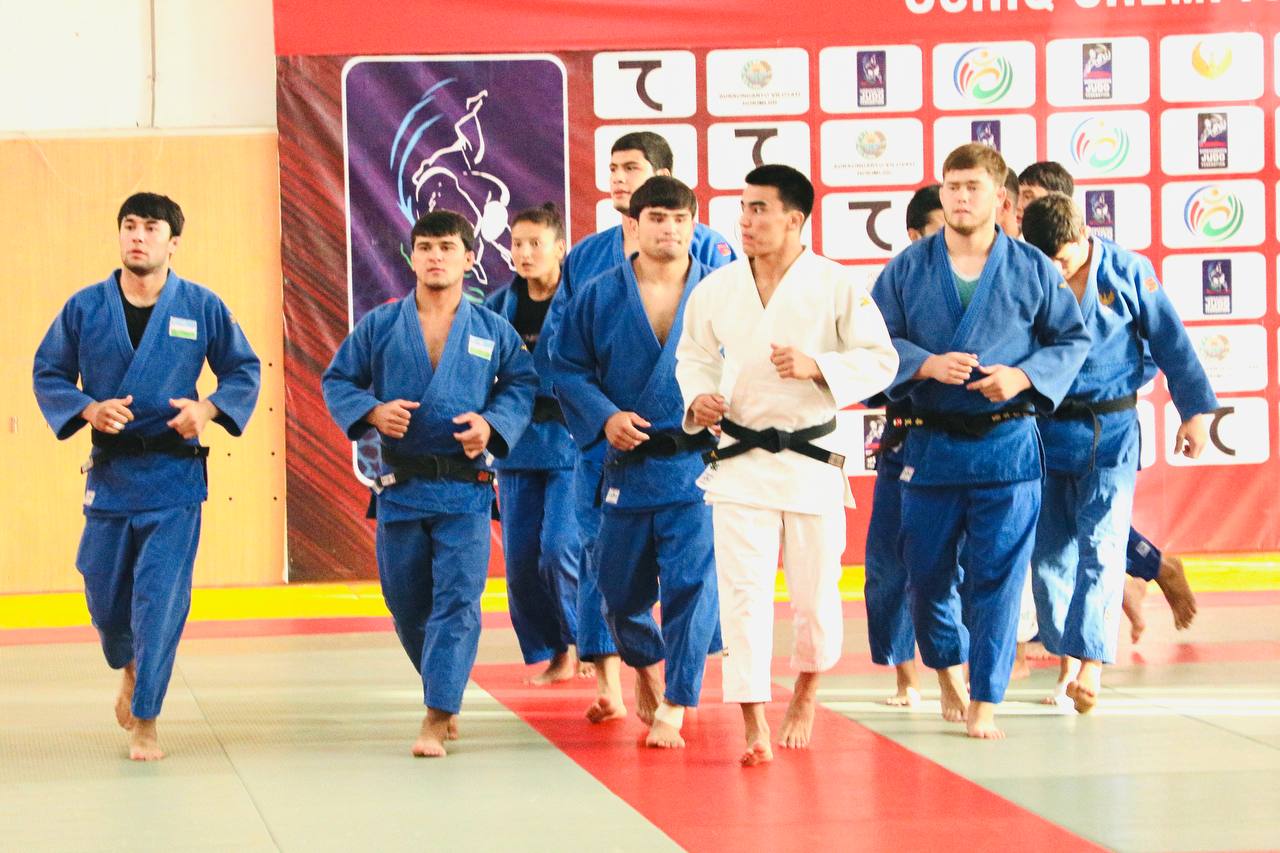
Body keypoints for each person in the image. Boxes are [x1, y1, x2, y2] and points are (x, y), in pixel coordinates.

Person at [677, 165, 898, 765]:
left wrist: (818, 366)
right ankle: (753, 719)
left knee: (815, 596)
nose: (745, 221)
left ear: (794, 219)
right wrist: (699, 398)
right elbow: (693, 355)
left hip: (810, 462)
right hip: (740, 460)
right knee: (742, 596)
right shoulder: (718, 288)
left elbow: (881, 359)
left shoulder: (835, 284)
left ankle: (805, 691)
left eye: (759, 209)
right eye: (743, 208)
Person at [871, 143, 1090, 739]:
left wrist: (1022, 377)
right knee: (925, 576)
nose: (961, 197)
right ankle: (946, 664)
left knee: (997, 580)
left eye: (973, 187)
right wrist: (923, 365)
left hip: (1006, 447)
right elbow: (872, 342)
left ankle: (985, 700)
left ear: (1002, 199)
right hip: (931, 447)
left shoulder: (1032, 268)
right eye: (952, 186)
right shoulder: (907, 269)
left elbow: (1071, 340)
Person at [33, 192, 261, 761]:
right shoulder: (85, 307)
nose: (138, 236)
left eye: (152, 228)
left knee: (159, 601)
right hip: (111, 474)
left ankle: (147, 720)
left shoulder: (202, 306)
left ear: (173, 242)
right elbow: (49, 372)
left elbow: (243, 369)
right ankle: (129, 665)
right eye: (130, 226)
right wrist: (88, 409)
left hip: (174, 476)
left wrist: (207, 410)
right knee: (104, 596)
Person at [322, 210, 537, 757]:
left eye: (447, 247)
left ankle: (438, 714)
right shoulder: (381, 324)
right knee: (407, 604)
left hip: (466, 488)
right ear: (411, 257)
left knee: (458, 602)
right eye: (425, 247)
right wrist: (373, 412)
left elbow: (521, 384)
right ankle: (445, 684)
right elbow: (339, 378)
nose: (435, 256)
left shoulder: (491, 329)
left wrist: (492, 425)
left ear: (469, 258)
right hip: (401, 487)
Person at [542, 130, 735, 722]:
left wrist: (724, 405)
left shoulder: (723, 288)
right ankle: (645, 663)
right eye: (656, 218)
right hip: (620, 462)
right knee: (617, 591)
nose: (668, 230)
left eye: (679, 219)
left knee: (691, 585)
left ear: (693, 223)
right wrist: (605, 417)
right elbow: (563, 365)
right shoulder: (597, 287)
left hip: (693, 464)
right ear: (634, 220)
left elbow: (750, 360)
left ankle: (678, 700)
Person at [1021, 193, 1218, 713]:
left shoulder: (1129, 271)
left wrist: (1195, 412)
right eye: (1045, 260)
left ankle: (1090, 662)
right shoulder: (1026, 275)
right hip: (1045, 430)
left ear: (1083, 238)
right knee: (1048, 556)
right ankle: (1066, 659)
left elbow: (1171, 340)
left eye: (1062, 259)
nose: (1055, 270)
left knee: (1102, 546)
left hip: (1110, 428)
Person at [485, 204, 582, 685]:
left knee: (560, 549)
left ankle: (585, 643)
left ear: (560, 248)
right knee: (522, 563)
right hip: (517, 443)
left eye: (535, 244)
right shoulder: (496, 308)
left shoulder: (582, 302)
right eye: (517, 244)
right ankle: (554, 651)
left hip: (572, 442)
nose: (524, 253)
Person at [864, 183, 948, 707]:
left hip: (967, 443)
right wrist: (924, 364)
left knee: (951, 565)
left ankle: (958, 674)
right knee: (888, 565)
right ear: (914, 234)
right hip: (907, 436)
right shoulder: (895, 281)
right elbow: (871, 354)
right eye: (939, 229)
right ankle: (905, 677)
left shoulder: (987, 278)